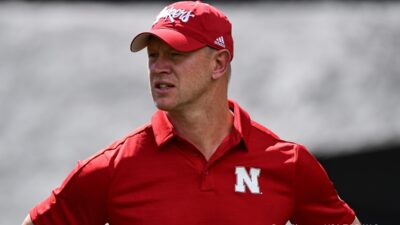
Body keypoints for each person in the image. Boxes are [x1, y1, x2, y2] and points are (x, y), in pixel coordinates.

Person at [22, 1, 361, 225]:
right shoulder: (110, 169)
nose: (159, 67)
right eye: (153, 55)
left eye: (175, 54)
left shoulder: (288, 164)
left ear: (219, 63)